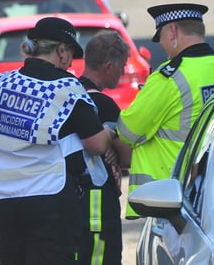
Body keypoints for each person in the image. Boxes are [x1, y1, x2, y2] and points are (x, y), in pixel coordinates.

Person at [0, 16, 114, 265]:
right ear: (61, 50)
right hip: (50, 201)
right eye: (70, 53)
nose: (70, 62)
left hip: (3, 202)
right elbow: (97, 145)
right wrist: (110, 132)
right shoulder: (67, 89)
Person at [116, 3, 214, 218]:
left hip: (172, 199)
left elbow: (128, 131)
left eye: (161, 37)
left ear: (172, 31)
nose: (162, 46)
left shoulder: (169, 78)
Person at [78, 30, 133, 265]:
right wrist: (111, 141)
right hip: (98, 211)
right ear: (109, 66)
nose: (123, 73)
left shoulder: (68, 93)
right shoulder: (104, 105)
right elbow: (127, 157)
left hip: (69, 206)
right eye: (122, 67)